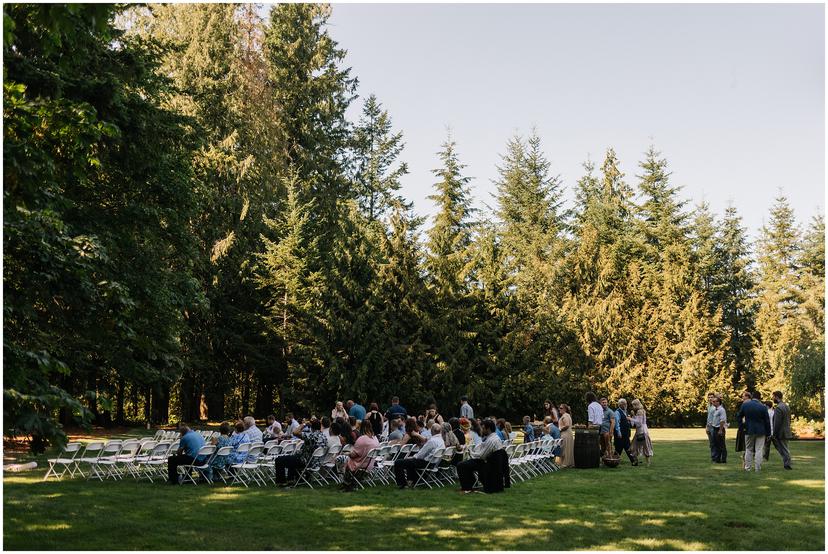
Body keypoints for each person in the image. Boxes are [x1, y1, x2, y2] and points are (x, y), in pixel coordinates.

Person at [273, 418, 326, 485]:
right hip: (316, 462)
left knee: (279, 459)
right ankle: (291, 479)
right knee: (292, 458)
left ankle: (281, 482)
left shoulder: (311, 436)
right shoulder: (324, 437)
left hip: (305, 461)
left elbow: (295, 432)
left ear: (311, 427)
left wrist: (304, 424)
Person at [457, 419, 503, 493]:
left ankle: (466, 487)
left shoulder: (491, 440)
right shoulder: (495, 437)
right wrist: (473, 450)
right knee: (467, 463)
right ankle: (470, 483)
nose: (482, 430)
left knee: (461, 465)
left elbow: (481, 456)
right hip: (489, 462)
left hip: (487, 464)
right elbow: (481, 447)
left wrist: (470, 452)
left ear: (488, 429)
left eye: (483, 428)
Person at [394, 423, 444, 488]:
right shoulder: (441, 440)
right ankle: (411, 481)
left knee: (398, 462)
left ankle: (402, 483)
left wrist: (414, 457)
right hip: (434, 463)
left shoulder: (432, 441)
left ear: (432, 431)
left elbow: (422, 454)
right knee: (410, 462)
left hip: (427, 463)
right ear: (440, 431)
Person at [736, 391, 771, 472]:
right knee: (759, 449)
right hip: (761, 431)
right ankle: (757, 468)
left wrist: (742, 426)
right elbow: (767, 421)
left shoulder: (745, 405)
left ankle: (747, 467)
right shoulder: (763, 407)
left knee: (748, 449)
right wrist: (768, 433)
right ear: (760, 398)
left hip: (748, 429)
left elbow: (739, 416)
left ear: (752, 396)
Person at [340, 420, 379, 491]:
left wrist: (347, 453)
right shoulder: (375, 438)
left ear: (361, 427)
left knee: (343, 459)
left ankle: (346, 483)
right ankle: (350, 483)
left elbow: (354, 455)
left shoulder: (362, 439)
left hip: (360, 465)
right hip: (370, 464)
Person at [771, 390, 793, 470]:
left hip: (781, 432)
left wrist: (775, 434)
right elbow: (789, 419)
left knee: (783, 448)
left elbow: (777, 422)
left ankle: (787, 464)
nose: (772, 398)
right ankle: (786, 463)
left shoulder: (779, 408)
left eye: (773, 397)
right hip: (786, 430)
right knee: (784, 448)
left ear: (776, 397)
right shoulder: (786, 406)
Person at [629, 399, 653, 466]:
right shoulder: (640, 411)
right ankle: (637, 462)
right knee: (635, 446)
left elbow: (639, 423)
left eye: (633, 405)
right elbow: (634, 424)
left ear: (636, 405)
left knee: (643, 446)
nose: (633, 407)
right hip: (640, 431)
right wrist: (633, 415)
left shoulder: (640, 411)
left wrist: (630, 418)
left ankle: (647, 462)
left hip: (642, 431)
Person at [613, 399, 636, 465]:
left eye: (625, 403)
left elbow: (630, 423)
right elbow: (617, 423)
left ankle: (633, 461)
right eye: (623, 403)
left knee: (627, 447)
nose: (625, 405)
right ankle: (614, 461)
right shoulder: (617, 412)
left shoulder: (625, 412)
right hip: (620, 434)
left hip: (626, 433)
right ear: (620, 405)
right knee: (618, 448)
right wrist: (619, 432)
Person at [709, 394, 727, 463]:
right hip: (714, 428)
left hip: (719, 429)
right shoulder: (715, 409)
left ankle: (723, 459)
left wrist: (720, 430)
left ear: (718, 402)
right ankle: (717, 459)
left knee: (721, 445)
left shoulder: (721, 410)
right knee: (716, 444)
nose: (713, 402)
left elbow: (722, 420)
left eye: (714, 401)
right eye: (713, 401)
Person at [735, 391, 751, 459]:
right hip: (744, 426)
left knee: (746, 443)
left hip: (746, 426)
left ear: (747, 397)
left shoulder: (747, 404)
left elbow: (740, 415)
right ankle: (745, 454)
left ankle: (746, 455)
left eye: (743, 396)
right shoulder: (743, 404)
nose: (742, 398)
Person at [558, 404, 574, 468]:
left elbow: (567, 425)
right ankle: (568, 463)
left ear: (565, 409)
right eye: (559, 408)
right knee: (567, 448)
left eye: (561, 408)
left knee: (564, 449)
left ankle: (565, 463)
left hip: (565, 434)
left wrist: (560, 429)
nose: (559, 409)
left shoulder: (565, 416)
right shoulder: (567, 415)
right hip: (568, 433)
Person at [705, 392, 717, 462]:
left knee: (714, 443)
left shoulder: (716, 407)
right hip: (708, 427)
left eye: (711, 397)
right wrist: (706, 427)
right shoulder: (708, 406)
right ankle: (713, 457)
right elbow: (708, 417)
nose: (710, 398)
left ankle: (715, 458)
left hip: (713, 427)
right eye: (709, 397)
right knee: (711, 443)